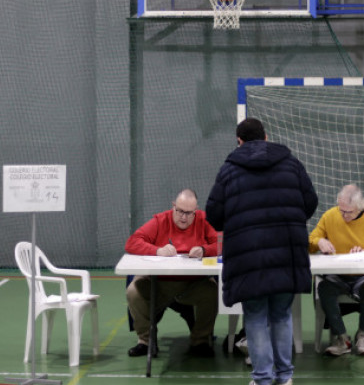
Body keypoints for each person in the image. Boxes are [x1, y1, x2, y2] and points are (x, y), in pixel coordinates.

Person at [206, 118, 318, 385]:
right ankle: (285, 376)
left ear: (239, 141)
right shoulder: (291, 164)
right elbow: (310, 202)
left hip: (248, 257)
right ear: (266, 137)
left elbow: (214, 215)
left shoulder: (229, 170)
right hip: (287, 254)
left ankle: (263, 378)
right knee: (281, 314)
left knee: (255, 316)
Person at [125, 188, 219, 358]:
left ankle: (200, 340)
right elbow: (132, 242)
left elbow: (221, 243)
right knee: (134, 291)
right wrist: (157, 250)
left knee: (212, 291)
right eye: (180, 211)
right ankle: (146, 341)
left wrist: (205, 249)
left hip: (192, 284)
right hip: (159, 284)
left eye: (189, 213)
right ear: (173, 206)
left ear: (196, 211)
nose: (183, 217)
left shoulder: (204, 220)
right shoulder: (160, 220)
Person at [308, 184, 364, 356]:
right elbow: (312, 240)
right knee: (324, 289)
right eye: (342, 211)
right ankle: (342, 337)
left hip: (363, 275)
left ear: (360, 207)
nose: (344, 215)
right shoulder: (330, 216)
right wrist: (319, 242)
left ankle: (363, 334)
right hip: (337, 275)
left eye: (349, 212)